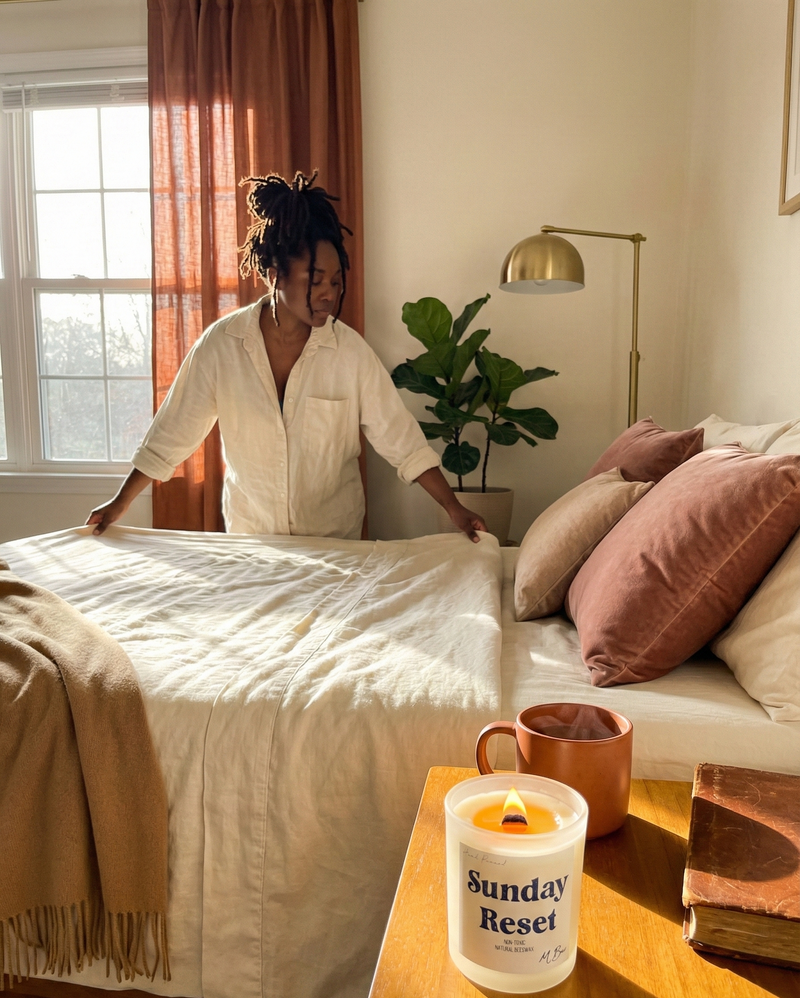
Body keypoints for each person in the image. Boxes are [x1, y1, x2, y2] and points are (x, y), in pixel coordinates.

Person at [87, 170, 486, 542]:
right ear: (275, 275)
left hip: (336, 548)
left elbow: (403, 442)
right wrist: (119, 503)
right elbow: (171, 435)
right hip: (253, 546)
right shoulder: (221, 345)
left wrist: (454, 507)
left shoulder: (351, 354)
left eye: (335, 281)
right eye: (315, 280)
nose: (329, 293)